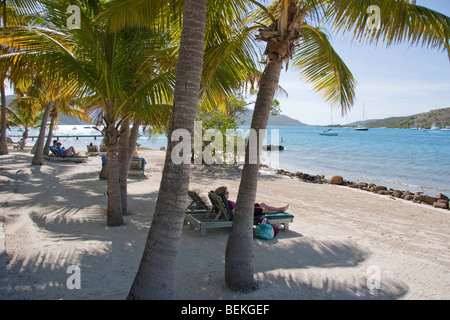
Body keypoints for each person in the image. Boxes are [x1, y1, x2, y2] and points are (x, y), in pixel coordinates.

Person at [214, 186, 289, 216]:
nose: (228, 193)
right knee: (265, 210)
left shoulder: (225, 202)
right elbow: (235, 213)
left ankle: (280, 209)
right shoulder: (229, 203)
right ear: (223, 195)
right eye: (227, 193)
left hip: (244, 207)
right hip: (246, 211)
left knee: (262, 204)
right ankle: (280, 211)